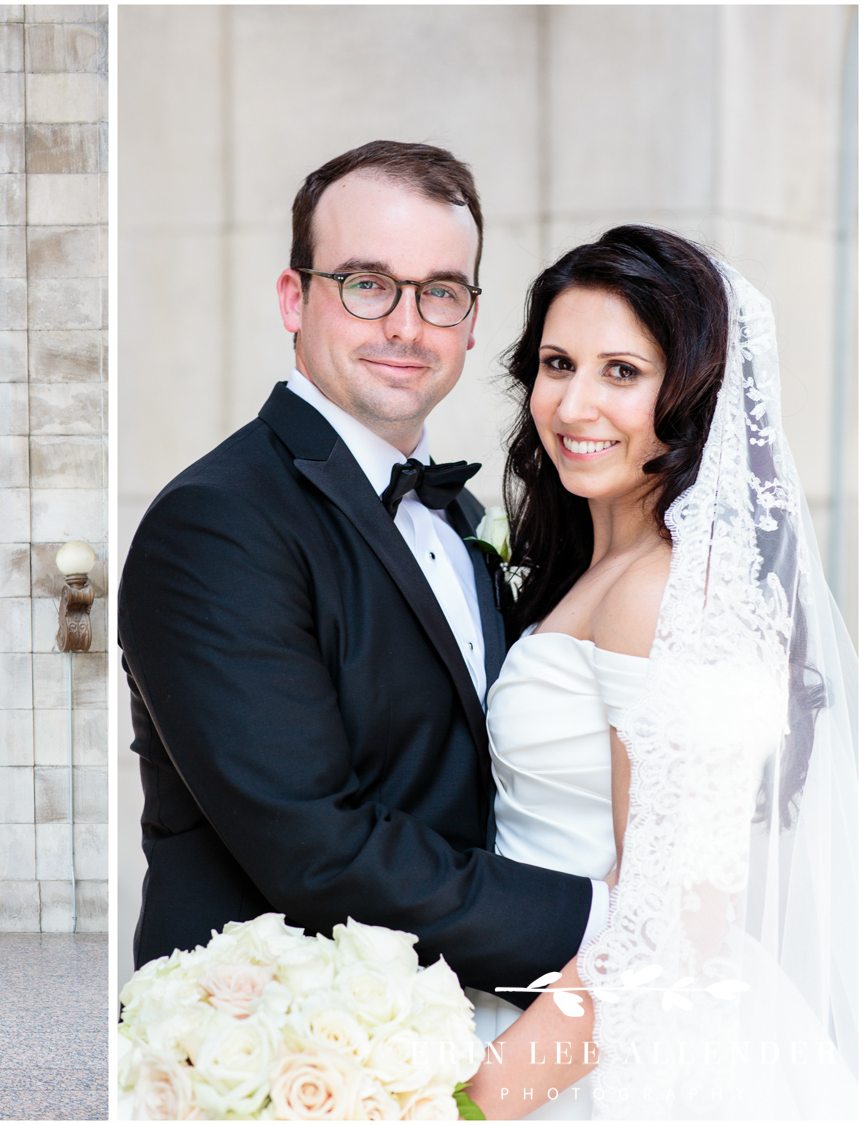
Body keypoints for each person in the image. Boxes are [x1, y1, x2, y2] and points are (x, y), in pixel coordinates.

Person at [120, 141, 603, 995]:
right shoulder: (217, 523)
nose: (407, 326)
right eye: (367, 283)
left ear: (472, 319)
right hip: (277, 1045)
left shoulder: (462, 515)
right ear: (293, 298)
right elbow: (319, 850)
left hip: (456, 1035)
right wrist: (606, 926)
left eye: (441, 292)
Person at [461, 227, 857, 1118]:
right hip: (553, 1012)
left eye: (623, 372)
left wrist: (473, 1101)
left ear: (695, 399)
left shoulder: (660, 592)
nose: (573, 404)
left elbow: (675, 922)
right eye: (558, 363)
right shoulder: (601, 570)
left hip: (606, 1052)